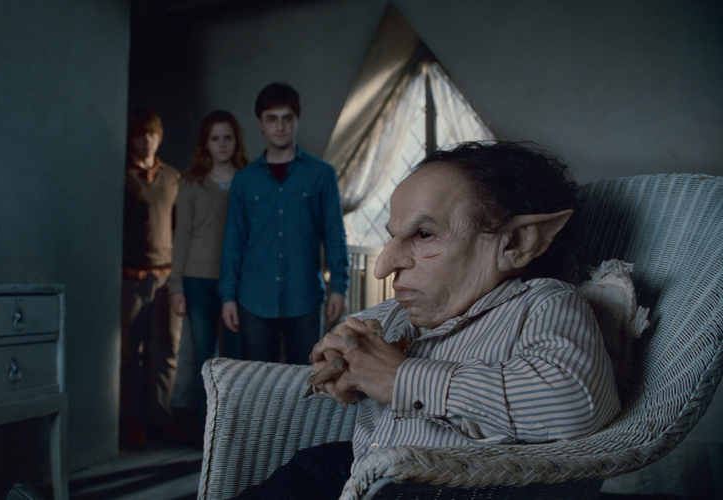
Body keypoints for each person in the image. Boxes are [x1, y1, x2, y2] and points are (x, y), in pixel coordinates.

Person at [230, 141, 621, 499]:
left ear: (515, 243)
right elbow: (335, 358)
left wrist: (401, 378)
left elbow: (575, 402)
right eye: (393, 237)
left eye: (423, 234)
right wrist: (337, 362)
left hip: (453, 488)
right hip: (358, 470)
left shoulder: (543, 304)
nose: (383, 267)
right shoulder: (395, 313)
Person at [218, 82, 349, 364]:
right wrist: (227, 297)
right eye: (272, 119)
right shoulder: (244, 181)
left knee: (305, 378)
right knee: (256, 379)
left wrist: (339, 287)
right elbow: (233, 242)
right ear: (260, 123)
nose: (280, 127)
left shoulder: (321, 175)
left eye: (287, 118)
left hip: (304, 297)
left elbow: (334, 234)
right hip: (254, 298)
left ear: (296, 120)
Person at [169, 110, 249, 426]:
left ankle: (234, 426)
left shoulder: (248, 179)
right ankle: (207, 428)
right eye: (215, 138)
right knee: (203, 355)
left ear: (236, 140)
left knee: (237, 356)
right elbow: (181, 236)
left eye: (227, 137)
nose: (222, 144)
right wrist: (176, 286)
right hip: (197, 279)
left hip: (237, 280)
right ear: (206, 143)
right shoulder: (191, 183)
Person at [120, 108, 183, 448]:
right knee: (131, 352)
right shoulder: (122, 176)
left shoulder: (172, 177)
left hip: (167, 278)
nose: (148, 140)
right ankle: (132, 420)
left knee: (166, 350)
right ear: (132, 138)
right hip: (133, 278)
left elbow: (180, 228)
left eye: (153, 134)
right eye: (141, 134)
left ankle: (161, 418)